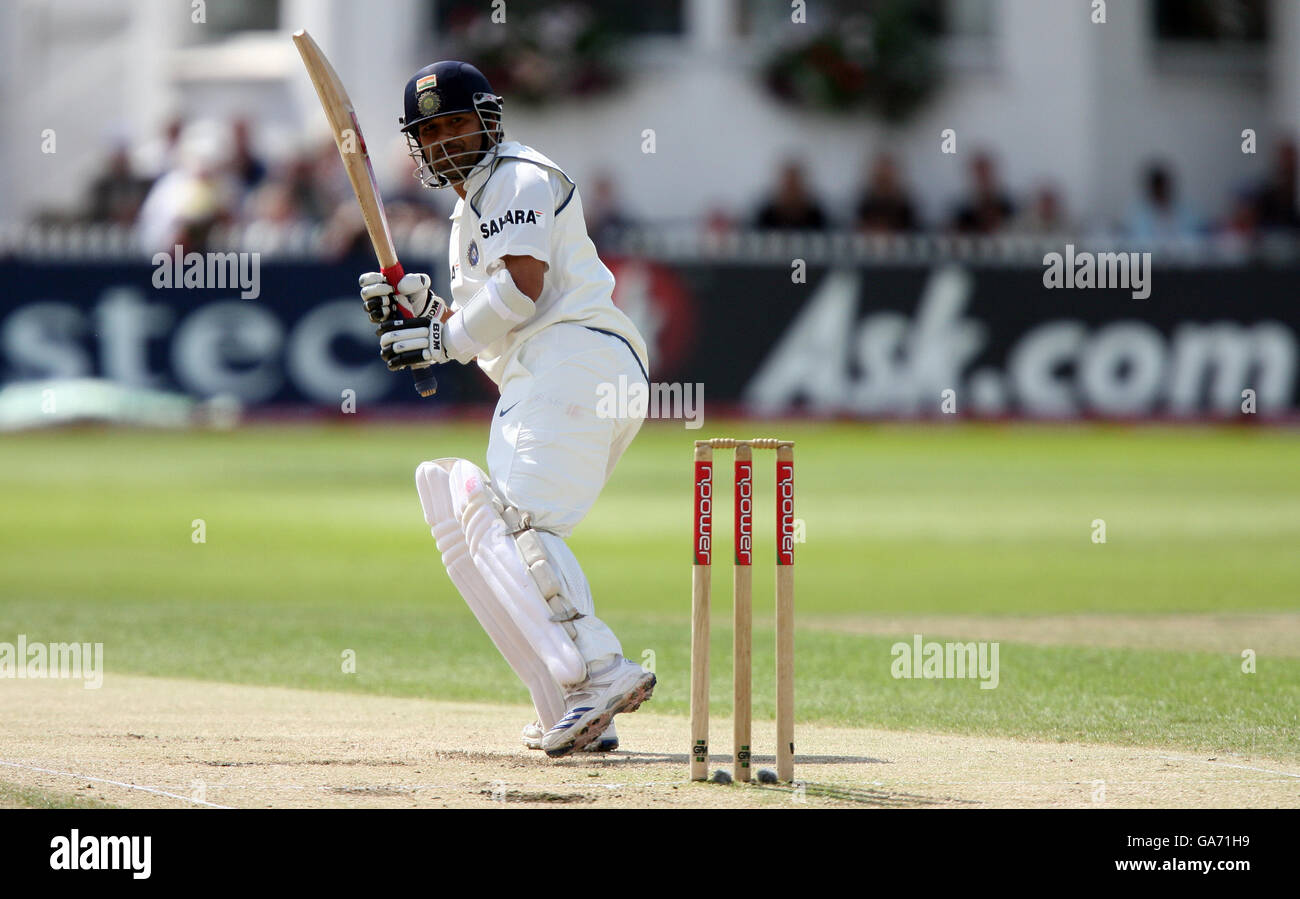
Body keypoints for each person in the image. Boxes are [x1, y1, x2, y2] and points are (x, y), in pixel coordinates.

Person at [356, 61, 655, 757]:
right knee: (501, 521)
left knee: (515, 521)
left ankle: (602, 670)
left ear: (490, 119)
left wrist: (442, 337)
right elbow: (491, 314)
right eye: (431, 132)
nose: (447, 140)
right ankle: (573, 703)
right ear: (417, 147)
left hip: (573, 358)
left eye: (458, 122)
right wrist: (429, 317)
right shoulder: (472, 206)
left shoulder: (516, 174)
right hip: (564, 368)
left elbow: (523, 290)